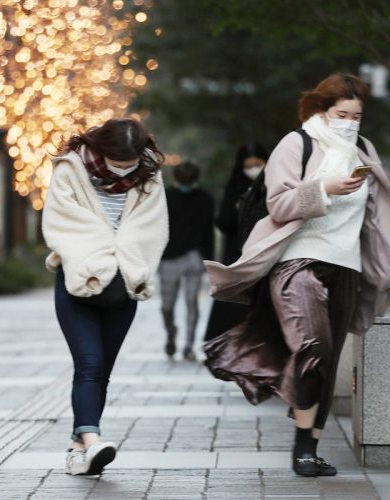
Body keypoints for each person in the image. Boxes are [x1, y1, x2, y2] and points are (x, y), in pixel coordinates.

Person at [203, 74, 390, 477]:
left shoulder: (363, 149)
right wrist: (324, 188)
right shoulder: (296, 144)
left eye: (357, 115)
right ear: (321, 111)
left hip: (346, 264)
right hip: (298, 262)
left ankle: (310, 446)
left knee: (328, 359)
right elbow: (278, 204)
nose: (350, 122)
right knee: (312, 346)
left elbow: (376, 214)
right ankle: (300, 448)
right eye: (341, 114)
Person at [42, 118, 169, 476]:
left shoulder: (148, 175)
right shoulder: (71, 169)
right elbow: (62, 223)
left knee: (102, 372)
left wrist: (131, 264)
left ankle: (77, 449)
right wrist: (99, 257)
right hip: (78, 282)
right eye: (118, 162)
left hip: (124, 286)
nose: (124, 169)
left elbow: (151, 228)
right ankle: (93, 439)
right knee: (90, 365)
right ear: (102, 150)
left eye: (130, 163)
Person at [203, 142, 268, 342]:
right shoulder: (234, 188)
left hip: (265, 250)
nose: (254, 169)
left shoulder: (273, 185)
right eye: (248, 166)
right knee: (233, 300)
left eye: (258, 164)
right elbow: (223, 222)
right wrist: (239, 209)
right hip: (236, 251)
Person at [159, 161, 214, 361]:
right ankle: (171, 334)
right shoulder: (165, 197)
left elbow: (208, 231)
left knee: (192, 302)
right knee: (167, 305)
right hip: (168, 258)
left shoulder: (205, 199)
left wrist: (208, 259)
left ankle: (189, 345)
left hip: (194, 257)